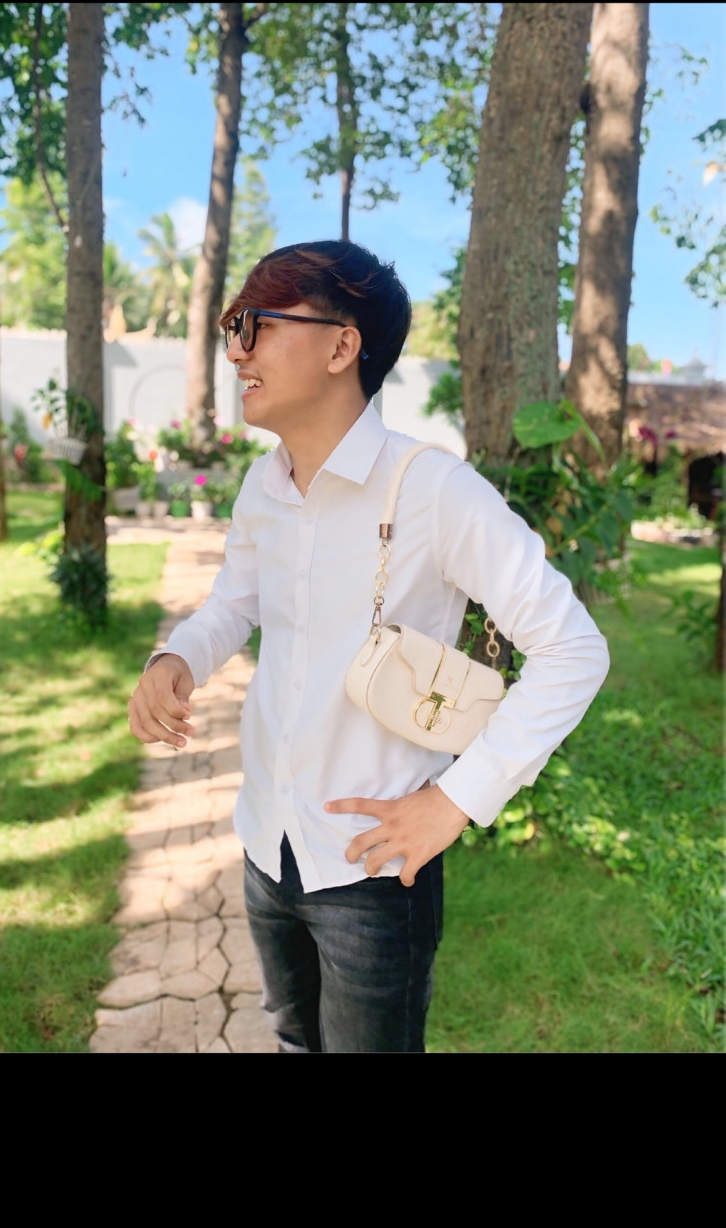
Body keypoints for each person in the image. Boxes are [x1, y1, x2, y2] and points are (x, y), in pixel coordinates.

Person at [127, 239, 610, 1053]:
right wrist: (176, 659)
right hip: (266, 841)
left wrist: (456, 802)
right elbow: (232, 605)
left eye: (255, 323)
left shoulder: (433, 490)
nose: (236, 349)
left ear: (341, 346)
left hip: (373, 871)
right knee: (292, 1037)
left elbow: (573, 648)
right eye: (232, 327)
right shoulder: (262, 486)